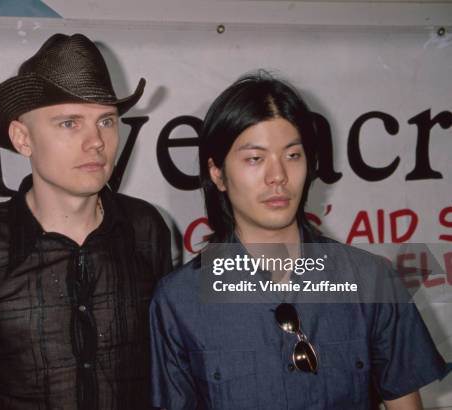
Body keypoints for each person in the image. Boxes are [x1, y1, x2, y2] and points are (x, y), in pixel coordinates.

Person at [149, 72, 448, 409]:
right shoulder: (178, 301)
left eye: (292, 155)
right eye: (255, 159)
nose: (278, 176)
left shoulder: (372, 281)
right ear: (217, 173)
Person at [0, 33, 172, 409]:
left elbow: (168, 375)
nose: (96, 141)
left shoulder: (145, 229)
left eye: (106, 121)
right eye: (69, 123)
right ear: (22, 138)